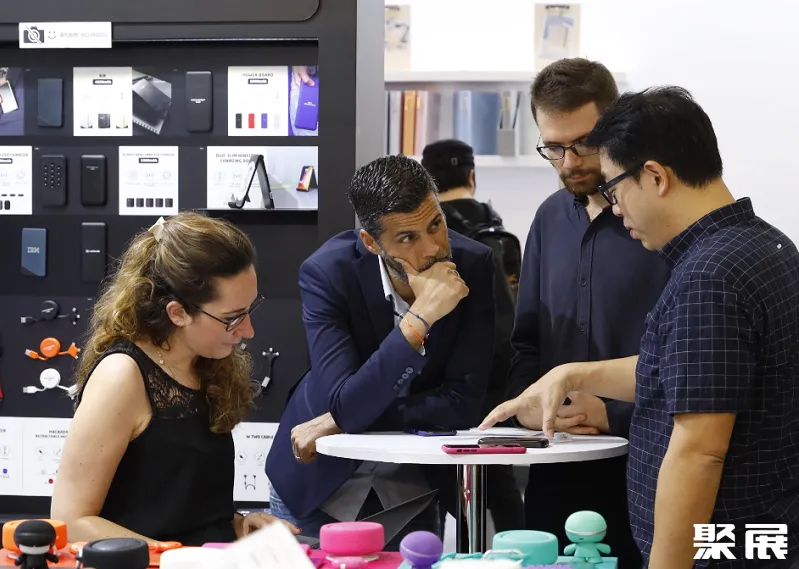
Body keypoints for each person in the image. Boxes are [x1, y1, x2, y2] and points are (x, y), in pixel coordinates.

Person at [481, 86, 799, 569]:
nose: (614, 208)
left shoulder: (708, 275)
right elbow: (695, 372)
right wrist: (573, 373)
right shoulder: (763, 246)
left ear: (655, 176)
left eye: (614, 190)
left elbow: (698, 454)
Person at [265, 154, 496, 549]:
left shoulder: (473, 264)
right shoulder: (328, 273)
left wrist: (342, 420)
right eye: (407, 238)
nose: (433, 248)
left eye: (435, 224)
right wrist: (421, 316)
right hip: (316, 479)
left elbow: (463, 404)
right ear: (371, 242)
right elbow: (342, 399)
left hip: (408, 487)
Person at [502, 58, 671, 567]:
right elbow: (526, 343)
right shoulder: (549, 219)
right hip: (555, 471)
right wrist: (529, 404)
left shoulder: (659, 221)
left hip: (646, 471)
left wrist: (612, 413)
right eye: (553, 147)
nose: (569, 162)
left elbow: (689, 361)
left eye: (583, 143)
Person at [51, 212, 298, 545]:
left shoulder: (206, 364)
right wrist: (172, 555)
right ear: (178, 313)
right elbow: (71, 521)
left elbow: (181, 508)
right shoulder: (122, 376)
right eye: (232, 318)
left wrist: (237, 524)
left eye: (249, 310)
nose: (248, 330)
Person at [420, 138, 525, 535]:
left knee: (433, 480)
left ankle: (455, 552)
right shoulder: (498, 234)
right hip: (498, 381)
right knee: (501, 479)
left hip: (442, 386)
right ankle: (521, 554)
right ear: (471, 176)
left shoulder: (422, 237)